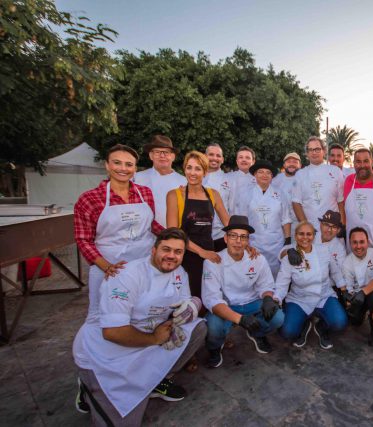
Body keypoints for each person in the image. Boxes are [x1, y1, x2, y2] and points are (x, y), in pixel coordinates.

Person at [72, 228, 206, 426]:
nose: (171, 256)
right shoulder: (126, 275)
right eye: (166, 249)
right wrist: (155, 339)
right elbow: (112, 332)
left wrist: (193, 305)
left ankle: (156, 379)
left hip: (148, 337)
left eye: (178, 252)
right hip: (107, 353)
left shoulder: (179, 273)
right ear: (153, 250)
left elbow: (183, 304)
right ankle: (88, 386)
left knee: (198, 328)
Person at [74, 144, 163, 325]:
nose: (123, 169)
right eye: (117, 163)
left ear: (135, 169)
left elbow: (151, 224)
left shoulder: (145, 193)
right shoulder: (89, 199)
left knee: (141, 309)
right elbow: (83, 240)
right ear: (107, 165)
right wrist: (106, 266)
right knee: (103, 315)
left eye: (128, 164)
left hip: (143, 263)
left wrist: (173, 237)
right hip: (108, 266)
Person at [202, 216, 285, 368]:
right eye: (233, 236)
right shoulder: (212, 261)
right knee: (213, 326)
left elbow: (266, 284)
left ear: (248, 241)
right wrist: (240, 319)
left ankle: (257, 333)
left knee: (278, 317)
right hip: (226, 305)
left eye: (243, 237)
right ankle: (215, 347)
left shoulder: (258, 258)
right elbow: (211, 299)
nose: (238, 241)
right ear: (226, 238)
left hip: (251, 302)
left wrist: (267, 298)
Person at [166, 151, 229, 300]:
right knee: (192, 296)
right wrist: (201, 252)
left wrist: (244, 240)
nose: (192, 173)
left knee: (210, 294)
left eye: (198, 169)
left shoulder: (213, 194)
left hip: (209, 251)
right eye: (189, 168)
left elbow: (228, 223)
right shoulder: (174, 195)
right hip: (186, 253)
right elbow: (174, 234)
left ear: (205, 172)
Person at [277, 221, 348, 350]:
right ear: (295, 235)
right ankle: (304, 324)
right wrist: (276, 299)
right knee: (288, 332)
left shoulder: (323, 250)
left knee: (340, 322)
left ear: (314, 236)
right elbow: (282, 283)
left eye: (309, 234)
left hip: (324, 296)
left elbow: (335, 271)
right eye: (301, 234)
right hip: (299, 299)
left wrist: (344, 289)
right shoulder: (291, 255)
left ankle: (321, 327)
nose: (305, 237)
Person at [292, 137, 345, 243]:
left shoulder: (335, 172)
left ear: (324, 151)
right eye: (310, 150)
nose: (314, 153)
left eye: (317, 149)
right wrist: (306, 227)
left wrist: (342, 226)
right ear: (307, 153)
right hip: (311, 232)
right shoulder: (300, 174)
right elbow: (296, 203)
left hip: (332, 230)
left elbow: (340, 201)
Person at [245, 160, 292, 278]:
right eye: (260, 172)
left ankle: (276, 296)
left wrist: (287, 241)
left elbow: (286, 219)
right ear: (255, 175)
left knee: (276, 275)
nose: (264, 175)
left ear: (272, 176)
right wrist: (245, 242)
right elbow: (243, 219)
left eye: (268, 173)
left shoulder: (280, 193)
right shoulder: (246, 194)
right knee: (255, 274)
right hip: (254, 243)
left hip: (276, 244)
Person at [341, 227, 373, 347]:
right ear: (350, 243)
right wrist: (352, 302)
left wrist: (363, 292)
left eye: (362, 242)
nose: (358, 246)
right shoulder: (347, 262)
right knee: (355, 322)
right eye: (354, 242)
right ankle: (361, 314)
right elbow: (349, 288)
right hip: (358, 297)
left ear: (368, 242)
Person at [134, 135, 187, 227]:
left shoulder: (184, 182)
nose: (162, 156)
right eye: (157, 152)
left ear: (173, 156)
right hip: (143, 235)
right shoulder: (137, 178)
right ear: (151, 155)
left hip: (174, 234)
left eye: (166, 152)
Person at [203, 143, 234, 251]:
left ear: (222, 159)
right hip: (197, 235)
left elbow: (233, 209)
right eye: (211, 154)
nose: (214, 158)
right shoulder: (194, 177)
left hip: (221, 235)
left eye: (218, 155)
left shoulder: (229, 181)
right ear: (204, 156)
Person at [272, 152, 302, 231]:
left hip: (300, 224)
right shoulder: (275, 180)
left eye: (295, 162)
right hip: (279, 224)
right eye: (288, 162)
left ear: (300, 165)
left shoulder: (305, 179)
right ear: (284, 165)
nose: (291, 164)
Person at [227, 146, 257, 216]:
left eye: (247, 158)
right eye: (241, 157)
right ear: (237, 161)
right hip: (232, 221)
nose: (244, 160)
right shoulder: (228, 177)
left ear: (253, 161)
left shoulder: (259, 180)